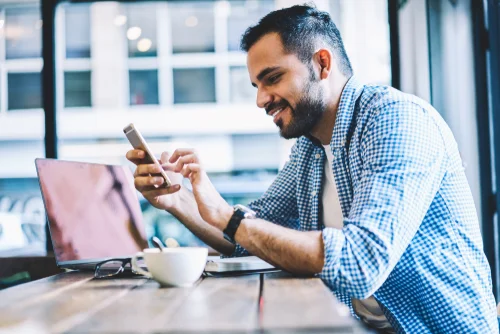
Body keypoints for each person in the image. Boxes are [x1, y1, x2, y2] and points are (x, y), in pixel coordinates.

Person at [126, 5, 498, 334]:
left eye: (273, 78)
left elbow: (360, 262)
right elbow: (248, 234)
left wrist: (229, 217)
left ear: (322, 63)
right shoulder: (311, 147)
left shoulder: (395, 120)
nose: (260, 100)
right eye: (256, 85)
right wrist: (177, 199)